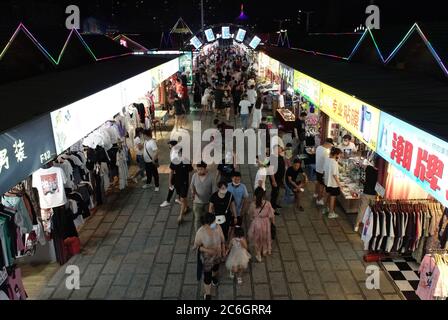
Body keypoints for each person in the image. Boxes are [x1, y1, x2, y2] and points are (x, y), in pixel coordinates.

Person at [194, 213, 226, 300]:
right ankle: (207, 293)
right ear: (206, 224)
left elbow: (223, 240)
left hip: (217, 255)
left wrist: (223, 250)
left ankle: (214, 277)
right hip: (207, 259)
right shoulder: (200, 233)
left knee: (216, 268)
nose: (215, 223)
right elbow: (197, 247)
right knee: (207, 276)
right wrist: (208, 250)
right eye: (213, 222)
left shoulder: (218, 227)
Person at [248, 187, 275, 262]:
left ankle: (258, 254)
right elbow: (272, 215)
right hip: (266, 223)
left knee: (256, 239)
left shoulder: (253, 204)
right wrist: (273, 224)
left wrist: (253, 219)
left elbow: (250, 215)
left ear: (255, 195)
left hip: (256, 223)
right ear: (263, 195)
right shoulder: (268, 203)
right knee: (265, 237)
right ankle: (264, 250)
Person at [191, 162, 216, 232]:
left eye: (201, 169)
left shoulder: (211, 177)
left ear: (205, 169)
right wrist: (193, 192)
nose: (199, 171)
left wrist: (213, 203)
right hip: (197, 202)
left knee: (207, 218)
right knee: (197, 218)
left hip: (208, 202)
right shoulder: (194, 176)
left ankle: (207, 232)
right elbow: (192, 186)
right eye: (198, 169)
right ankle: (198, 234)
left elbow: (214, 191)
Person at [354, 161, 378, 232]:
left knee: (362, 209)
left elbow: (362, 165)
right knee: (373, 211)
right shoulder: (379, 172)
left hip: (366, 192)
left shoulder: (368, 168)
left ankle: (357, 225)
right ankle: (370, 226)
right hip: (374, 194)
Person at [322, 148, 343, 219]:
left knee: (326, 195)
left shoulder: (327, 159)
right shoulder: (334, 162)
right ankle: (331, 213)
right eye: (339, 154)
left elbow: (324, 170)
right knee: (332, 198)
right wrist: (339, 185)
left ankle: (325, 209)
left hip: (327, 181)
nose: (340, 155)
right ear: (336, 154)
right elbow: (334, 175)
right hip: (333, 184)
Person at [160, 141, 182, 208]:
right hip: (179, 173)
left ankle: (168, 201)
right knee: (178, 187)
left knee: (172, 187)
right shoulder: (175, 151)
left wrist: (169, 181)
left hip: (176, 174)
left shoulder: (175, 154)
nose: (169, 146)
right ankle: (179, 199)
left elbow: (172, 171)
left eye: (170, 145)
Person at [314, 138, 334, 206]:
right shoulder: (326, 151)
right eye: (330, 145)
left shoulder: (319, 147)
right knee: (322, 186)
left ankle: (315, 194)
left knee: (318, 182)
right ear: (327, 143)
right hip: (322, 171)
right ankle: (319, 200)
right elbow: (327, 162)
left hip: (317, 169)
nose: (330, 146)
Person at [269, 146, 286, 215]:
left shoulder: (280, 156)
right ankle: (272, 209)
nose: (280, 149)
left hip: (279, 179)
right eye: (278, 149)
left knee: (277, 192)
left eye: (280, 148)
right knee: (274, 193)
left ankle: (274, 204)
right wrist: (273, 181)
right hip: (275, 179)